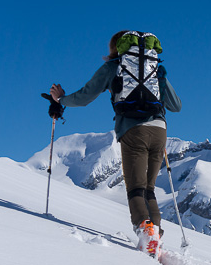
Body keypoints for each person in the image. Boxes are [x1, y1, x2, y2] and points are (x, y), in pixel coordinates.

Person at [49, 30, 181, 243]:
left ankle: (146, 233)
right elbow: (176, 106)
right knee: (149, 187)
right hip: (159, 131)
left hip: (132, 131)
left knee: (135, 187)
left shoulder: (114, 67)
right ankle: (155, 232)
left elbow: (84, 97)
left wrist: (61, 99)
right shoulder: (155, 68)